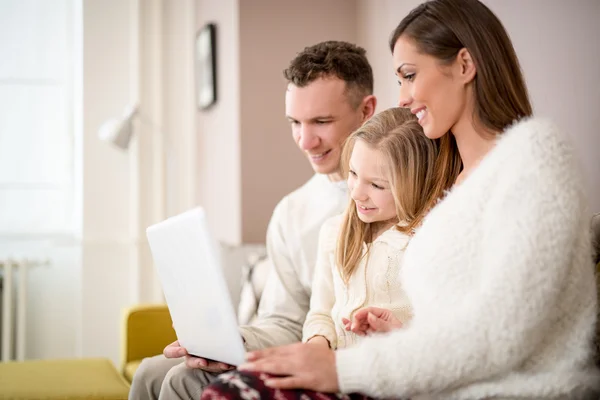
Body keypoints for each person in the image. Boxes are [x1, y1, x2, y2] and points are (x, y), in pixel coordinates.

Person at [200, 0, 600, 399]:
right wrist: (397, 334)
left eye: (409, 76)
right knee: (225, 386)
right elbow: (448, 326)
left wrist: (342, 368)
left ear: (464, 65)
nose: (403, 98)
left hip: (510, 390)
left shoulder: (535, 155)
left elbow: (501, 332)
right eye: (399, 81)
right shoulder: (448, 184)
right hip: (431, 381)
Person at [128, 40, 377, 400]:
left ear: (366, 110)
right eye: (295, 122)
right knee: (151, 373)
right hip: (295, 348)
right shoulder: (293, 212)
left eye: (321, 121)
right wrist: (233, 343)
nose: (305, 141)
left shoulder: (401, 195)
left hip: (345, 361)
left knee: (181, 381)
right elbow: (284, 320)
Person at [303, 107, 460, 352]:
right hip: (335, 371)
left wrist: (400, 333)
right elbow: (320, 313)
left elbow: (446, 335)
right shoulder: (333, 232)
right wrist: (317, 344)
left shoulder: (428, 240)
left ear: (414, 184)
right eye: (353, 173)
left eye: (376, 185)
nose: (355, 192)